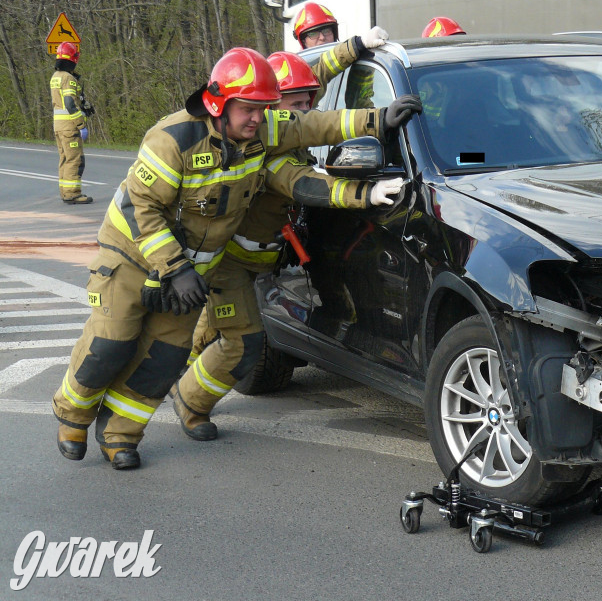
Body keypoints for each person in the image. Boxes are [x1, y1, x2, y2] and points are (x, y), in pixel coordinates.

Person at [51, 46, 421, 470]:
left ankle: (119, 434)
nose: (257, 120)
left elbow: (313, 122)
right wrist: (174, 268)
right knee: (111, 343)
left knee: (164, 358)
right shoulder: (173, 139)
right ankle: (72, 414)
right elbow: (143, 211)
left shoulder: (259, 130)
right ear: (218, 103)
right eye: (248, 109)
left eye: (263, 109)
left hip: (194, 269)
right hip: (133, 256)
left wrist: (378, 119)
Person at [170, 51, 404, 441]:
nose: (306, 109)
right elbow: (306, 184)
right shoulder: (268, 153)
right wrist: (367, 193)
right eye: (296, 103)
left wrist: (359, 47)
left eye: (310, 100)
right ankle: (189, 395)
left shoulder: (281, 133)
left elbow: (321, 101)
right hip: (233, 263)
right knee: (238, 339)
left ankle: (187, 379)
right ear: (271, 105)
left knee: (219, 328)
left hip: (255, 263)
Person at [50, 41, 94, 204]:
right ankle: (72, 193)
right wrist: (81, 125)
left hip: (58, 127)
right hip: (70, 127)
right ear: (72, 59)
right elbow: (69, 103)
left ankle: (65, 191)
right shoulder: (68, 78)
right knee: (75, 160)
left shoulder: (55, 77)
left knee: (64, 158)